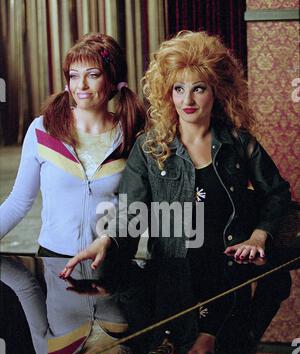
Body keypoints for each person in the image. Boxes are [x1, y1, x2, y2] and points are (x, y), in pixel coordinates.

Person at [61, 30, 291, 277]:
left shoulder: (239, 143)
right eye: (178, 89)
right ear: (168, 93)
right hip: (172, 279)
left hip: (230, 277)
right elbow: (131, 211)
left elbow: (277, 194)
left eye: (199, 89)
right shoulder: (149, 148)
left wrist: (259, 236)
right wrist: (107, 239)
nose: (187, 100)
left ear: (217, 91)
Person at [0, 33, 145, 256]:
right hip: (54, 262)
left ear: (112, 78)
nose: (82, 85)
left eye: (93, 75)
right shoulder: (43, 129)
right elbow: (19, 202)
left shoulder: (131, 134)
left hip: (111, 262)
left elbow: (139, 208)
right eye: (74, 76)